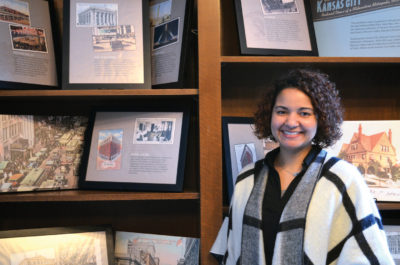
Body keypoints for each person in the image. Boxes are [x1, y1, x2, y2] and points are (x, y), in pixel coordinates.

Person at [210, 68, 394, 265]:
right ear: (269, 115)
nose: (291, 122)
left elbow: (368, 256)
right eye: (281, 111)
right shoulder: (247, 179)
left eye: (304, 113)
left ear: (321, 118)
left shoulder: (344, 180)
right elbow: (232, 250)